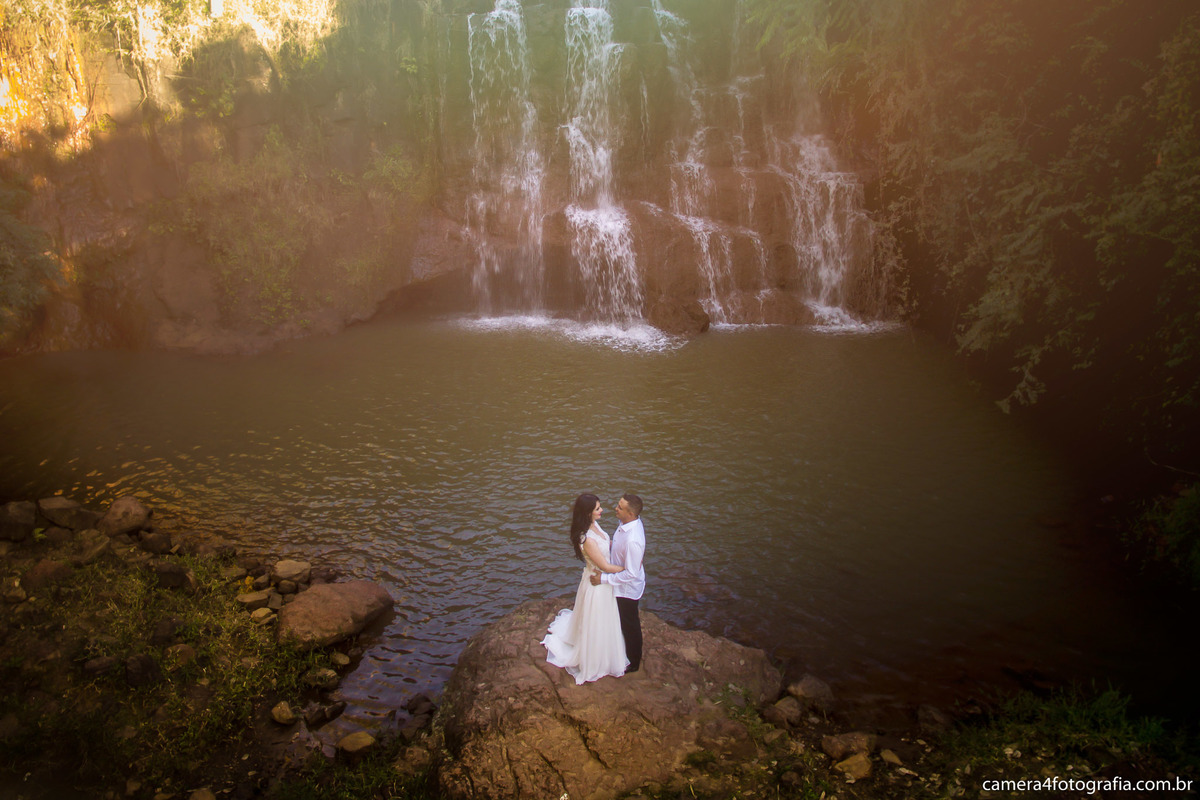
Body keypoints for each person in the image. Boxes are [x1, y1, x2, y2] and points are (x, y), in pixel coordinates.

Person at [542, 494, 629, 684]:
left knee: (604, 620)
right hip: (597, 584)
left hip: (601, 582)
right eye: (598, 508)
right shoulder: (587, 539)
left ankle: (604, 652)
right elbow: (605, 567)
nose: (602, 510)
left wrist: (623, 547)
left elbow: (607, 543)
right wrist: (628, 570)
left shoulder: (594, 525)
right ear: (588, 512)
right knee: (598, 621)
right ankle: (595, 658)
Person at [590, 493, 644, 673]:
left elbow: (631, 574)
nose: (615, 508)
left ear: (630, 514)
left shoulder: (633, 541)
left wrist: (603, 579)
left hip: (627, 589)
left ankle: (634, 662)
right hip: (618, 580)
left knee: (630, 624)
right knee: (620, 620)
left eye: (620, 507)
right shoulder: (626, 523)